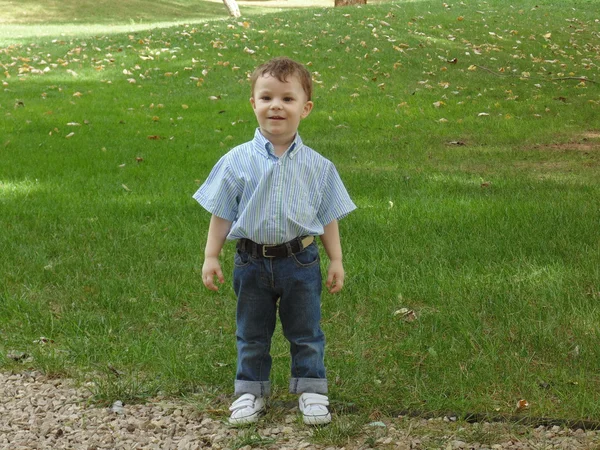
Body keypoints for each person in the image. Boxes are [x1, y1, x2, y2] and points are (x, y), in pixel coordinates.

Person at [193, 56, 356, 426]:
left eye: (287, 98)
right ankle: (251, 392)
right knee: (251, 332)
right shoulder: (236, 161)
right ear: (253, 104)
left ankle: (312, 391)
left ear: (305, 108)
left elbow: (328, 216)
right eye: (266, 98)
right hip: (250, 262)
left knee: (306, 331)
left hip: (300, 262)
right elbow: (221, 212)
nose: (276, 106)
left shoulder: (319, 166)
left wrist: (336, 261)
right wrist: (211, 256)